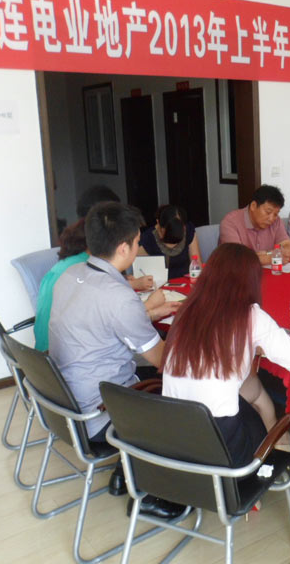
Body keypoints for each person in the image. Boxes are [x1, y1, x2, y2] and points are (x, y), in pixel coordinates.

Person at [48, 201, 183, 517]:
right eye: (137, 242)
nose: (138, 246)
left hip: (64, 401)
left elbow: (101, 327)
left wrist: (147, 314)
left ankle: (127, 469)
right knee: (183, 390)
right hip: (99, 413)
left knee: (145, 371)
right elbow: (163, 360)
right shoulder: (118, 296)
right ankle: (156, 492)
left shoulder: (70, 274)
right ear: (124, 248)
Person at [162, 243, 290, 467]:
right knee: (258, 398)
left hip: (173, 435)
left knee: (253, 386)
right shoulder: (250, 315)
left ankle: (274, 438)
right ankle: (271, 459)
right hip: (222, 446)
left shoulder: (187, 310)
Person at [33, 186, 155, 352]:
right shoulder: (84, 271)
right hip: (67, 354)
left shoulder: (73, 268)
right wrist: (150, 305)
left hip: (48, 358)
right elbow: (110, 317)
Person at [219, 184, 290, 265]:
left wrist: (267, 254)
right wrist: (271, 258)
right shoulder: (231, 222)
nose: (271, 218)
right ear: (253, 206)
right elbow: (237, 259)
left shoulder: (276, 221)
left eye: (276, 214)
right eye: (268, 212)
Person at [139, 204, 202, 279]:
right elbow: (137, 267)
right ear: (158, 223)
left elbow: (196, 263)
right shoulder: (148, 239)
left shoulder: (189, 231)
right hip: (160, 282)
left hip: (186, 279)